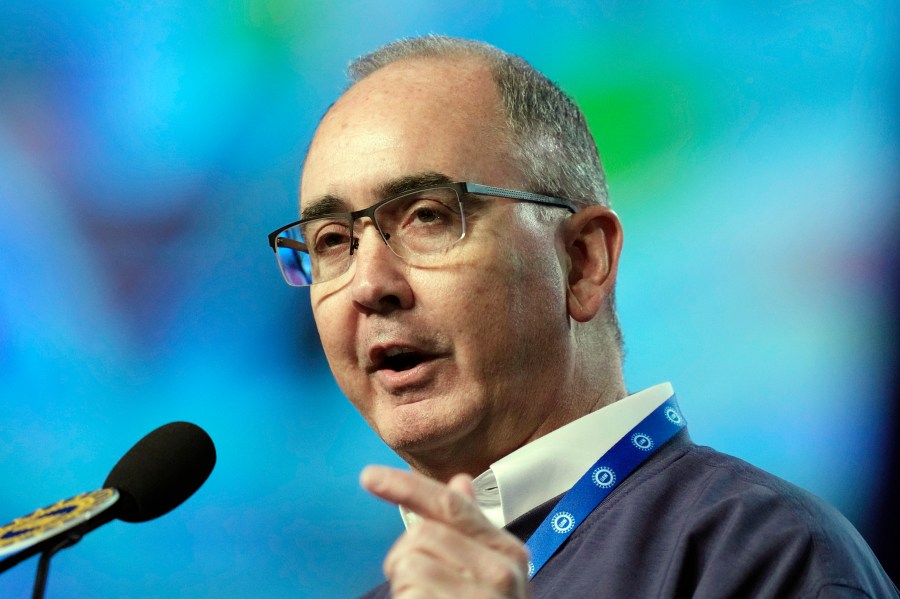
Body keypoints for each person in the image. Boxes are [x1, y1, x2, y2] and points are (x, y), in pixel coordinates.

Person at [267, 36, 897, 598]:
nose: (370, 284)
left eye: (428, 216)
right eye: (330, 241)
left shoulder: (765, 555)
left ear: (582, 260)